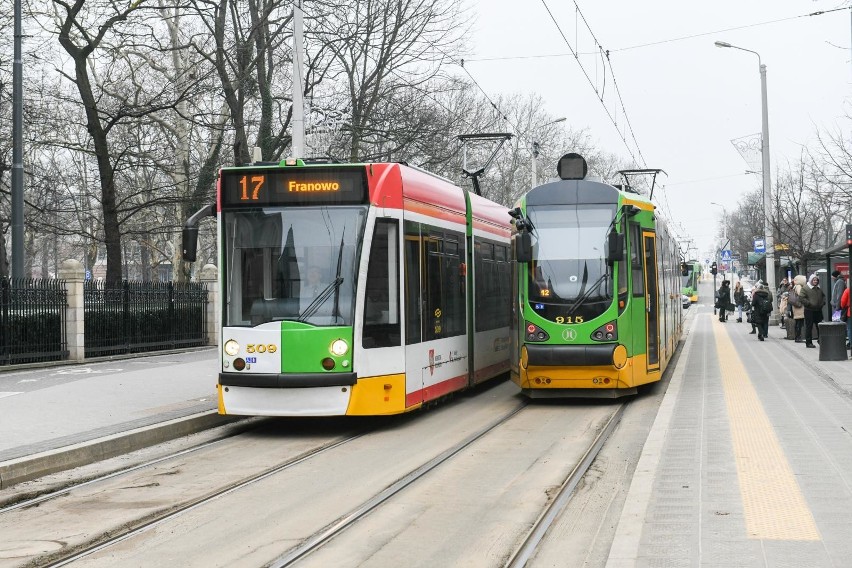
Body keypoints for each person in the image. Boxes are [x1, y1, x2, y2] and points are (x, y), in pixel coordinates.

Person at [799, 273, 826, 349]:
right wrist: (808, 303)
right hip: (809, 310)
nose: (815, 281)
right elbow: (801, 297)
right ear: (811, 280)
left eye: (816, 280)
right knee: (809, 327)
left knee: (820, 326)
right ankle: (809, 342)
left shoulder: (818, 288)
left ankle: (820, 340)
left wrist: (823, 303)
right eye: (814, 280)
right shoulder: (806, 288)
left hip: (818, 310)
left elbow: (823, 296)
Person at [791, 275, 807, 342]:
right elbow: (801, 295)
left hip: (796, 307)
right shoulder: (799, 286)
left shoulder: (795, 286)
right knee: (799, 323)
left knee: (798, 322)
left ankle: (797, 337)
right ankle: (798, 337)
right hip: (799, 307)